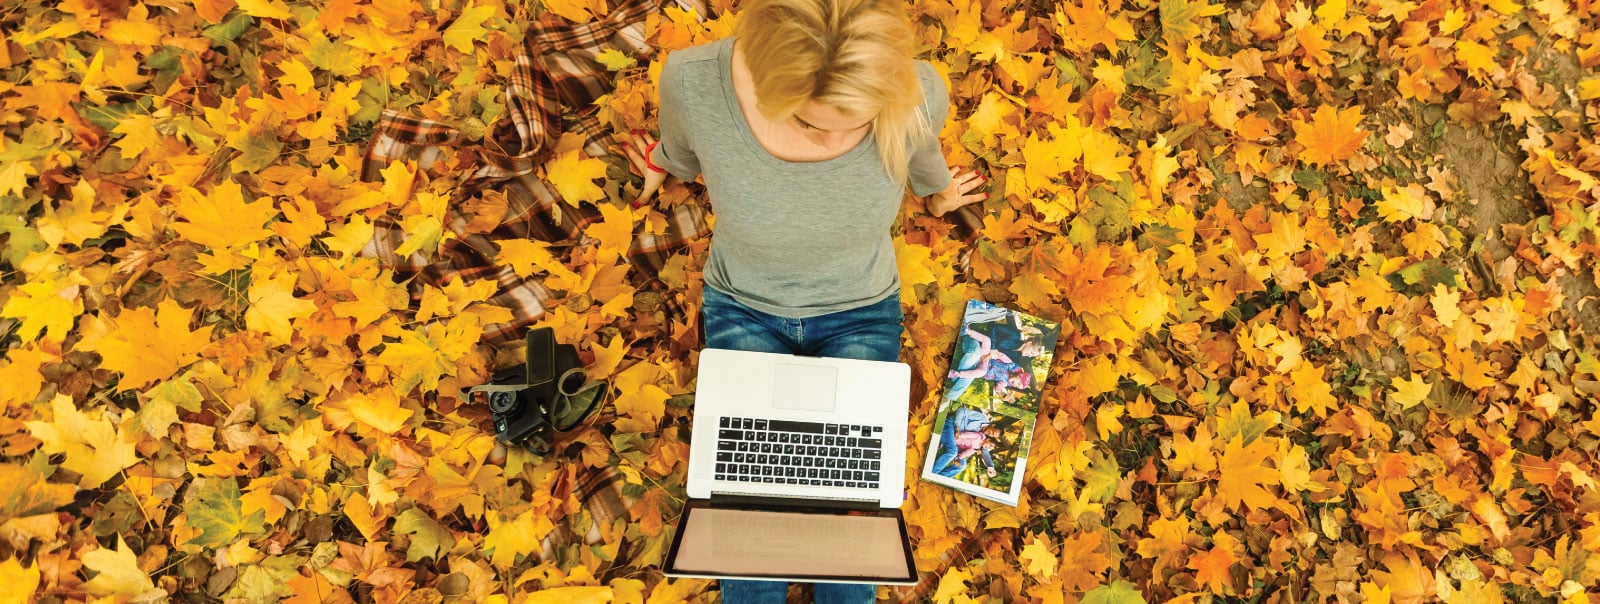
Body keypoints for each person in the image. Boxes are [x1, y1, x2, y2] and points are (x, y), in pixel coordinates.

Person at [616, 0, 987, 601]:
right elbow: (682, 149)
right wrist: (663, 161)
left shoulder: (917, 94)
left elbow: (922, 160)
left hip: (861, 308)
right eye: (811, 125)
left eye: (860, 124)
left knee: (849, 514)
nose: (836, 142)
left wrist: (940, 195)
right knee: (747, 509)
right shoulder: (695, 83)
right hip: (742, 303)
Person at [943, 325, 1032, 405]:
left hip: (982, 367)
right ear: (1019, 375)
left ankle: (957, 375)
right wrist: (989, 356)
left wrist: (1002, 395)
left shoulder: (1005, 382)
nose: (1015, 385)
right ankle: (967, 330)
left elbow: (998, 387)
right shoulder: (1011, 365)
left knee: (981, 372)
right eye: (1018, 382)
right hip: (985, 356)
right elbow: (1000, 355)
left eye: (1017, 386)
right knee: (987, 340)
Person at [931, 406, 1000, 479]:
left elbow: (969, 452)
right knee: (952, 452)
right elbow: (961, 411)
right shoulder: (981, 426)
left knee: (962, 466)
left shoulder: (978, 446)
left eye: (992, 435)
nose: (990, 434)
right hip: (951, 425)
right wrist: (957, 429)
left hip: (956, 441)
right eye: (993, 432)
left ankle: (939, 478)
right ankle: (932, 473)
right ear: (993, 425)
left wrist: (958, 458)